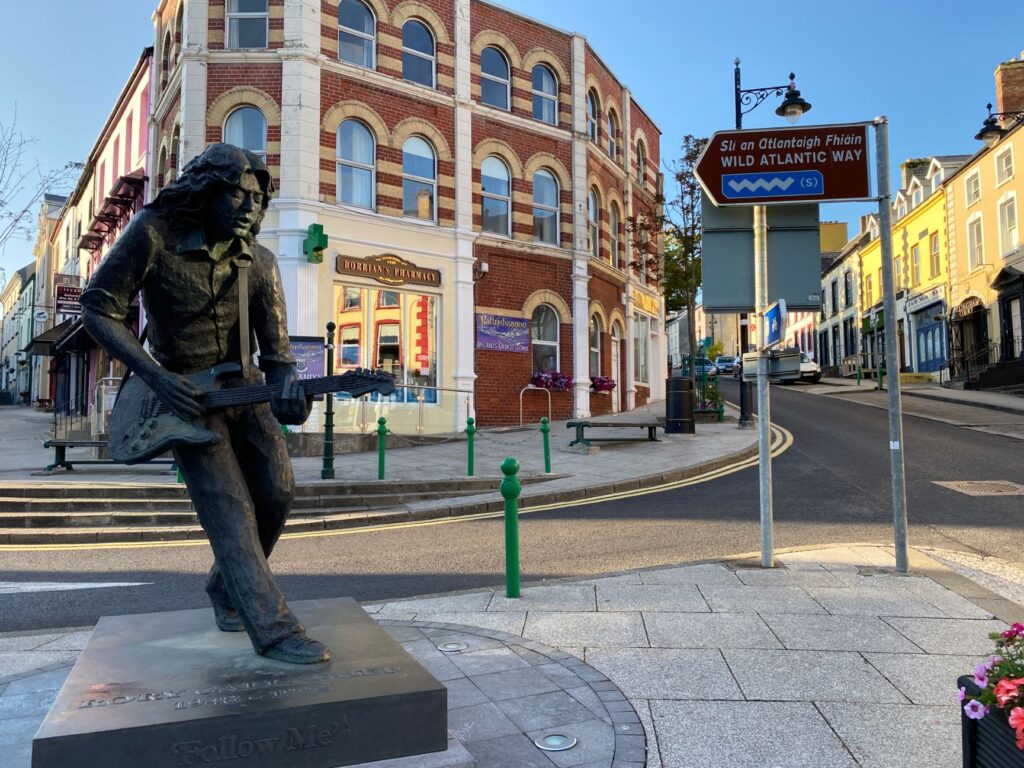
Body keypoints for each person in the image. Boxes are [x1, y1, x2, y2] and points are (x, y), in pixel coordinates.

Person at [81, 143, 330, 665]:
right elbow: (98, 310)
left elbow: (278, 355)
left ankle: (226, 588)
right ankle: (276, 629)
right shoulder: (154, 235)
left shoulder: (259, 264)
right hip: (178, 396)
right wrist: (155, 376)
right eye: (237, 194)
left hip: (242, 389)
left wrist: (290, 396)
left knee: (278, 492)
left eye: (258, 200)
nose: (249, 207)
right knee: (231, 511)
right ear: (206, 189)